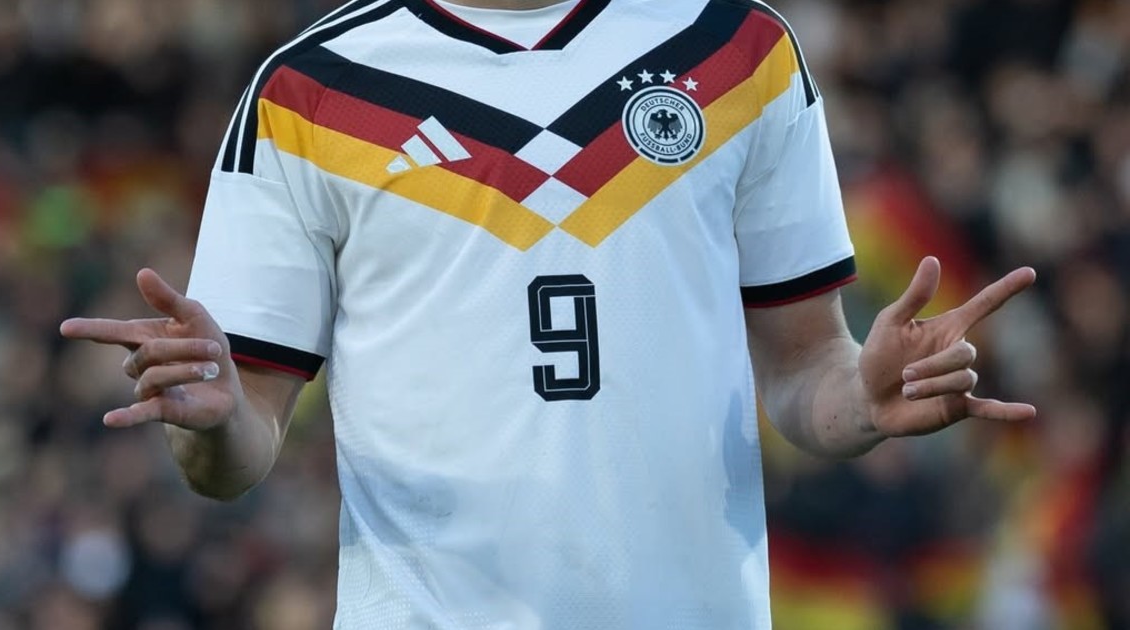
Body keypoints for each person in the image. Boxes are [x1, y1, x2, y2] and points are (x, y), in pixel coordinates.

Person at [61, 0, 1037, 627]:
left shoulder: (740, 51)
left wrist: (861, 398)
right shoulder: (306, 93)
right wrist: (210, 418)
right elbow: (242, 448)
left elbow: (803, 370)